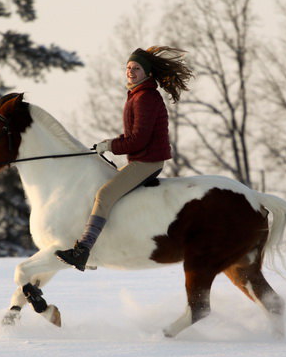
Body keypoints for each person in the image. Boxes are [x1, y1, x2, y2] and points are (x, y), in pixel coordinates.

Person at [56, 46, 193, 271]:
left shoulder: (145, 97)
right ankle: (90, 249)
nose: (130, 71)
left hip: (148, 162)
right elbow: (134, 136)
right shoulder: (138, 94)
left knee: (105, 193)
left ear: (147, 73)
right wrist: (109, 143)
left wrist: (110, 145)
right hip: (142, 159)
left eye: (136, 68)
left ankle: (83, 251)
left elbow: (138, 140)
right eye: (128, 67)